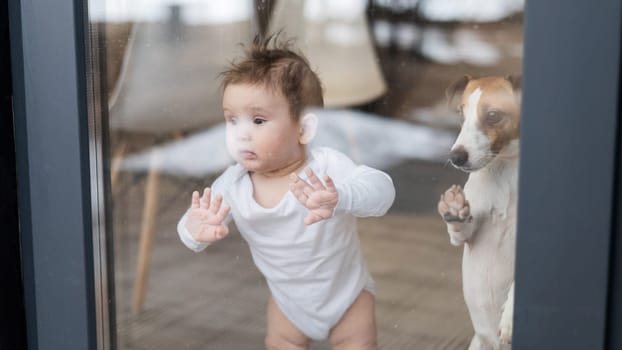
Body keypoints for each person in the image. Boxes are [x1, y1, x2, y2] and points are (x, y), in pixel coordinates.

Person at [177, 34, 395, 350]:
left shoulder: (325, 168)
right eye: (232, 120)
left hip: (347, 295)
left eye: (258, 120)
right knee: (280, 342)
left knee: (358, 343)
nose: (241, 134)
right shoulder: (234, 183)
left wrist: (341, 197)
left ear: (304, 129)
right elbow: (188, 229)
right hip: (287, 301)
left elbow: (382, 192)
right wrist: (195, 229)